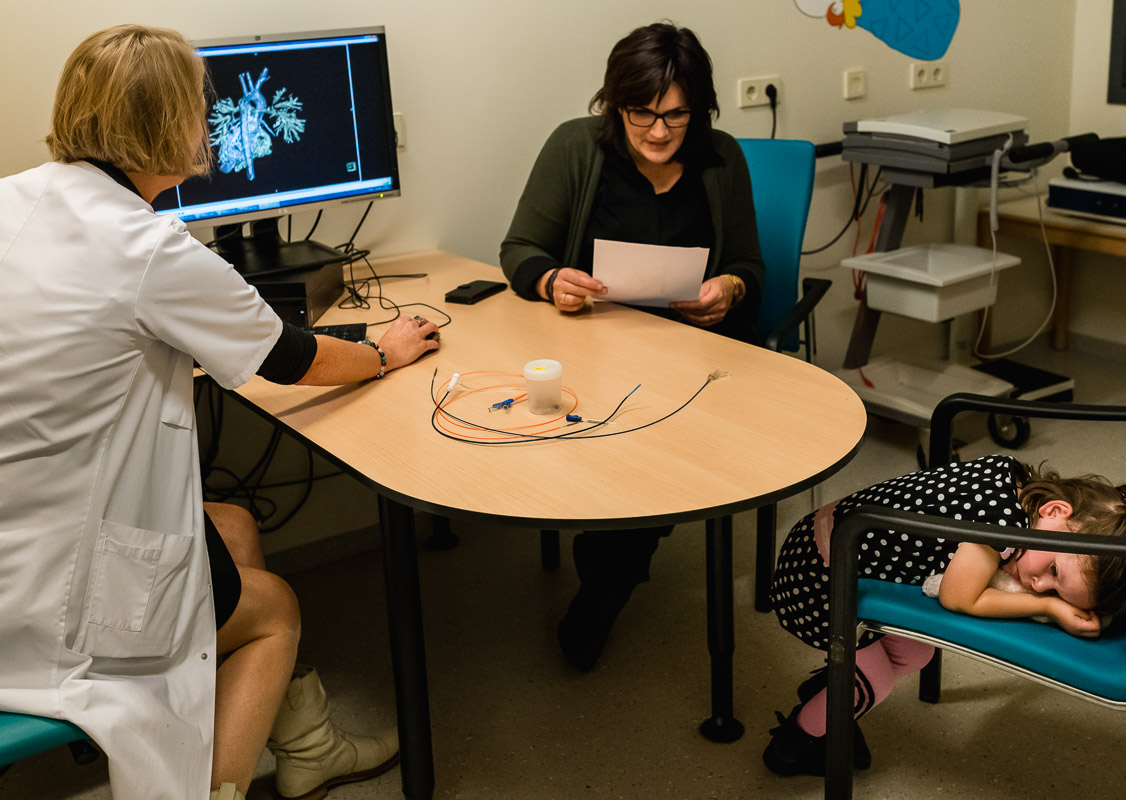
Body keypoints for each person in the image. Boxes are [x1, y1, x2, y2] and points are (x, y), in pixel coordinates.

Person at [0, 25, 439, 800]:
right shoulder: (150, 250)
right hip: (55, 594)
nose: (211, 124)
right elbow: (291, 358)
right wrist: (386, 351)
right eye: (201, 110)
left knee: (234, 525)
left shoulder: (15, 198)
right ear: (169, 128)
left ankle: (306, 747)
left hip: (22, 525)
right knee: (275, 609)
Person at [499, 21, 765, 671]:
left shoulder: (722, 158)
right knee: (618, 439)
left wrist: (727, 289)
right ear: (614, 104)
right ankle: (610, 558)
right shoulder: (576, 148)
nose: (656, 133)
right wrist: (551, 280)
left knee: (665, 447)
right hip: (596, 346)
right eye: (641, 114)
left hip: (694, 355)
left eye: (676, 117)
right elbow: (519, 252)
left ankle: (604, 580)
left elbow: (750, 268)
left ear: (698, 111)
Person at [761, 454, 1126, 777]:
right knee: (876, 683)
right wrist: (1049, 606)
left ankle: (829, 692)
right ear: (1055, 511)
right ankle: (795, 743)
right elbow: (960, 598)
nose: (1038, 585)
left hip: (842, 550)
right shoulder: (1000, 521)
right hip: (822, 573)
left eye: (1055, 590)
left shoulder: (1016, 483)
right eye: (1053, 573)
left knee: (917, 653)